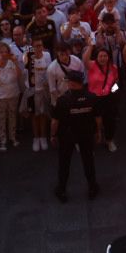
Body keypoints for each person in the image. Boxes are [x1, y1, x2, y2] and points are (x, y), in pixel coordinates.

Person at [51, 67, 101, 203]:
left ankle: (61, 190)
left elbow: (55, 122)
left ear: (72, 83)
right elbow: (97, 118)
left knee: (64, 163)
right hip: (86, 134)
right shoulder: (92, 97)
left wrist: (53, 135)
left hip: (67, 136)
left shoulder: (62, 100)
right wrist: (98, 132)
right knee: (88, 161)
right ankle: (92, 187)